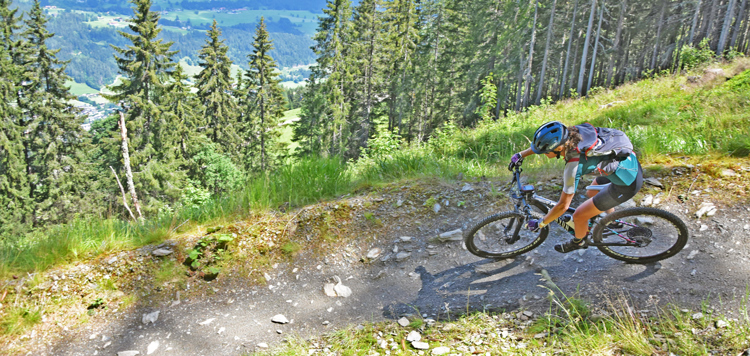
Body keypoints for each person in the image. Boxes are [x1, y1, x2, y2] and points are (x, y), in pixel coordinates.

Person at [507, 121, 643, 253]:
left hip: (626, 182)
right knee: (591, 192)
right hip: (622, 163)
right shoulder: (572, 134)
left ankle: (579, 242)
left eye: (545, 152)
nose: (543, 154)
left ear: (559, 148)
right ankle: (613, 221)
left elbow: (562, 206)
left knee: (579, 215)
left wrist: (540, 223)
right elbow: (543, 146)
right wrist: (521, 154)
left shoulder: (574, 165)